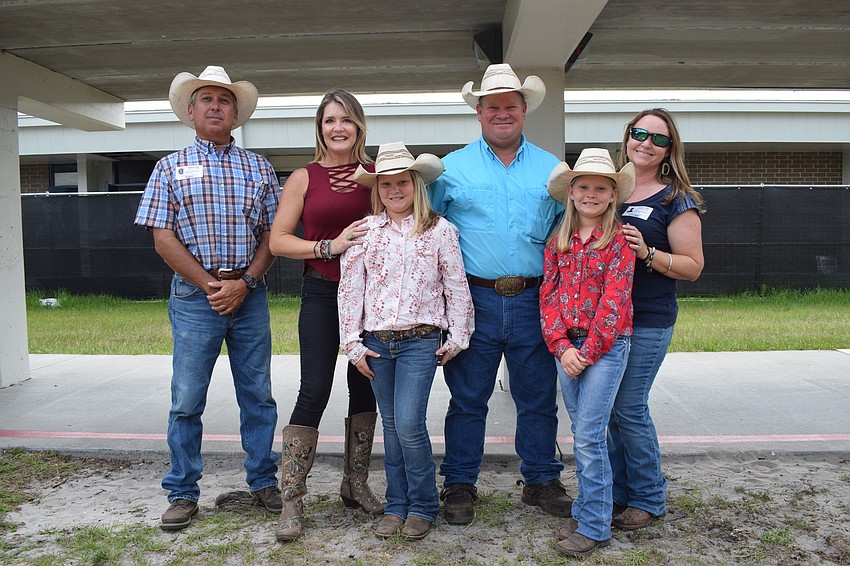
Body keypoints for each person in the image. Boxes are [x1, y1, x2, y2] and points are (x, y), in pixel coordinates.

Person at [134, 65, 281, 531]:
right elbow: (162, 237)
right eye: (206, 99)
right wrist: (209, 285)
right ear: (191, 111)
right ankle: (182, 492)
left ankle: (263, 481)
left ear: (236, 114)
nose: (215, 107)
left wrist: (245, 282)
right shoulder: (168, 167)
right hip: (195, 297)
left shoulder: (259, 168)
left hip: (249, 294)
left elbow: (272, 235)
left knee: (258, 395)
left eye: (224, 100)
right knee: (187, 398)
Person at [428, 63, 570, 524]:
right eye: (493, 106)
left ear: (524, 110)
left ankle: (542, 479)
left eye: (511, 105)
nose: (502, 113)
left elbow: (566, 233)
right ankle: (459, 483)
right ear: (479, 112)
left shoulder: (554, 170)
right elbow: (427, 229)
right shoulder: (450, 169)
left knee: (538, 396)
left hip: (534, 298)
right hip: (474, 300)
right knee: (468, 398)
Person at [338, 142, 475, 540]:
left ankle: (424, 503)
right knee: (393, 425)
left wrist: (458, 334)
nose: (394, 190)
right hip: (377, 342)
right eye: (386, 184)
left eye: (402, 182)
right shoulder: (366, 232)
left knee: (410, 423)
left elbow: (455, 285)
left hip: (420, 340)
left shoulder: (440, 231)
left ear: (416, 185)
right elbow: (350, 290)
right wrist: (352, 343)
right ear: (377, 189)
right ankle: (397, 504)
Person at [268, 89, 382, 543]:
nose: (338, 128)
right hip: (321, 290)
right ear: (320, 128)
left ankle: (356, 484)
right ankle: (292, 499)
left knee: (365, 384)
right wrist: (329, 247)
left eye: (347, 119)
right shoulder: (303, 177)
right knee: (314, 387)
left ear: (359, 126)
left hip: (373, 296)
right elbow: (278, 240)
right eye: (330, 120)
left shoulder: (378, 173)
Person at [608, 108, 705, 530]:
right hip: (606, 321)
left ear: (669, 149)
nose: (646, 143)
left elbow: (692, 266)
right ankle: (619, 493)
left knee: (629, 407)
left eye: (658, 139)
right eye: (640, 133)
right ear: (627, 137)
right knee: (609, 410)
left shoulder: (676, 199)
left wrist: (647, 253)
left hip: (648, 319)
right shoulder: (609, 189)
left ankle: (648, 496)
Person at [540, 149, 636, 558]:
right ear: (571, 192)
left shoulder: (620, 241)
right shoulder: (558, 241)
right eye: (584, 187)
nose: (591, 194)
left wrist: (586, 353)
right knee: (582, 433)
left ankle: (595, 525)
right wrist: (562, 348)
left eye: (600, 188)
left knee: (591, 434)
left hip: (605, 349)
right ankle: (587, 511)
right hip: (567, 349)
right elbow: (548, 298)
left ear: (613, 194)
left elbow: (614, 303)